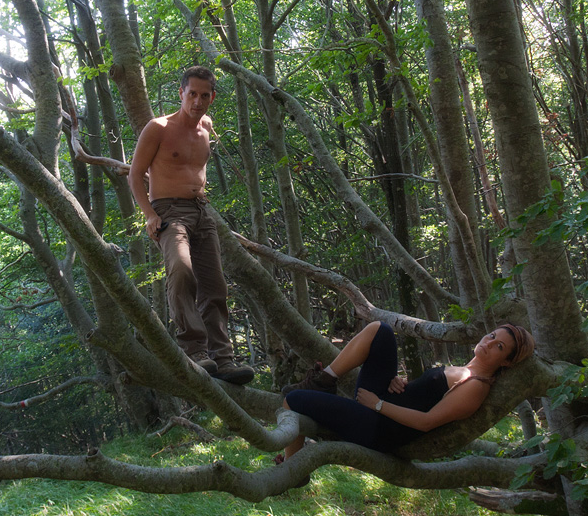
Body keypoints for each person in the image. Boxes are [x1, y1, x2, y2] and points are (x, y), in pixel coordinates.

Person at [128, 66, 255, 385]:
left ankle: (223, 359)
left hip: (202, 211)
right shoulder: (158, 128)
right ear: (181, 93)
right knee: (182, 271)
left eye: (204, 95)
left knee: (215, 286)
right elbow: (135, 174)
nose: (198, 101)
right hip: (168, 211)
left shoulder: (206, 127)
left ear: (212, 97)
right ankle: (194, 350)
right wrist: (150, 215)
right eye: (192, 94)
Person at [279, 321, 534, 458]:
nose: (489, 343)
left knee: (293, 399)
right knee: (380, 330)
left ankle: (291, 467)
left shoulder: (476, 386)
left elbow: (427, 421)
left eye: (500, 347)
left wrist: (378, 404)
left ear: (506, 362)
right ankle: (324, 381)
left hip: (380, 427)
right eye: (492, 336)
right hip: (381, 404)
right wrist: (400, 383)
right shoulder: (464, 370)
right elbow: (424, 396)